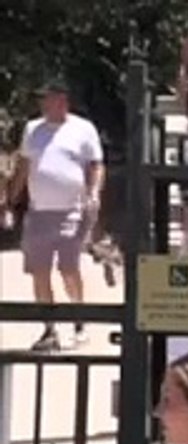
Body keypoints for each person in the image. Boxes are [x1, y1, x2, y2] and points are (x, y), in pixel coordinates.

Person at [4, 77, 104, 351]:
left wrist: (94, 193)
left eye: (47, 98)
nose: (43, 103)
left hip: (72, 210)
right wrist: (10, 201)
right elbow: (24, 166)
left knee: (68, 269)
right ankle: (49, 328)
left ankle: (79, 320)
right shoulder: (33, 130)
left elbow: (95, 165)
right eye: (42, 98)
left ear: (62, 100)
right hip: (39, 211)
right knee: (40, 272)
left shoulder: (83, 129)